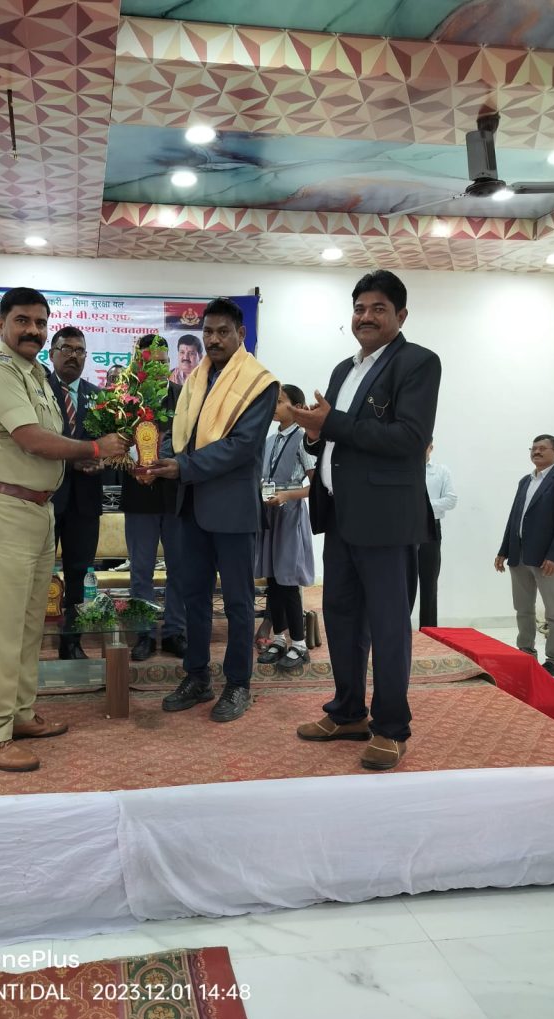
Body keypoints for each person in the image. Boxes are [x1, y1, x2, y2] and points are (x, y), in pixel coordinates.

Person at [0, 289, 127, 772]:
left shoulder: (35, 374)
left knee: (30, 622)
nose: (32, 330)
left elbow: (56, 442)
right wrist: (94, 450)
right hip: (3, 508)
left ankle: (18, 714)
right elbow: (32, 439)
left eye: (40, 322)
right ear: (0, 324)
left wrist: (81, 459)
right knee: (2, 628)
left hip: (37, 509)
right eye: (22, 321)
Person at [292, 270, 441, 771]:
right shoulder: (343, 369)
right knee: (341, 617)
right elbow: (339, 439)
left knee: (388, 626)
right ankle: (348, 712)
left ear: (401, 315)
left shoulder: (418, 362)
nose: (366, 317)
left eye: (378, 308)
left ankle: (392, 728)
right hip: (342, 517)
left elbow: (408, 438)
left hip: (387, 521)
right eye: (359, 308)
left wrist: (330, 423)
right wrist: (314, 434)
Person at [148, 297, 277, 722]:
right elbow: (179, 435)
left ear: (241, 334)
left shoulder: (260, 384)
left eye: (223, 332)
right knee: (194, 598)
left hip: (232, 510)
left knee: (238, 603)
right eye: (208, 332)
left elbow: (242, 447)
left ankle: (238, 683)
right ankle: (197, 676)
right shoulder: (196, 379)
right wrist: (159, 461)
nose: (214, 339)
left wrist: (181, 467)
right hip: (190, 506)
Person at [121, 334, 186, 662]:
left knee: (180, 568)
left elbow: (193, 443)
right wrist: (127, 461)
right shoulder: (125, 400)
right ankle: (144, 633)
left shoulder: (184, 397)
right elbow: (115, 444)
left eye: (163, 361)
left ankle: (175, 631)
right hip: (139, 496)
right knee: (141, 570)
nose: (159, 368)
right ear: (139, 363)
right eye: (151, 362)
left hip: (176, 496)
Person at [48, 326, 104, 660]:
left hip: (85, 501)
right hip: (45, 498)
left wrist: (102, 461)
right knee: (38, 573)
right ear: (52, 354)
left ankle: (72, 640)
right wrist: (74, 460)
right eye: (66, 349)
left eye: (79, 350)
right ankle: (32, 639)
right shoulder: (39, 391)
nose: (73, 355)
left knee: (80, 574)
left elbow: (110, 444)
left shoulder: (99, 397)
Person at [255, 385, 316, 669]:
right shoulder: (269, 440)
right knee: (273, 581)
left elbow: (316, 486)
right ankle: (279, 638)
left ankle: (299, 644)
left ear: (297, 407)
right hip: (270, 514)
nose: (274, 407)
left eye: (279, 402)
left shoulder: (304, 440)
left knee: (288, 581)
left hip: (289, 514)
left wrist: (287, 496)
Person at [495, 434, 554, 676]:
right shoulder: (525, 481)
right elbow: (514, 517)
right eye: (533, 448)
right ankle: (525, 652)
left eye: (543, 448)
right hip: (518, 554)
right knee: (523, 608)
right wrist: (503, 550)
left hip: (546, 559)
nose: (537, 452)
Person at [418, 440, 457, 627]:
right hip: (403, 530)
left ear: (431, 447)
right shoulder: (403, 469)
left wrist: (422, 506)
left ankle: (428, 630)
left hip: (430, 528)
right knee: (401, 582)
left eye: (424, 445)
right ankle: (400, 630)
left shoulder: (441, 471)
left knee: (429, 581)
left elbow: (451, 500)